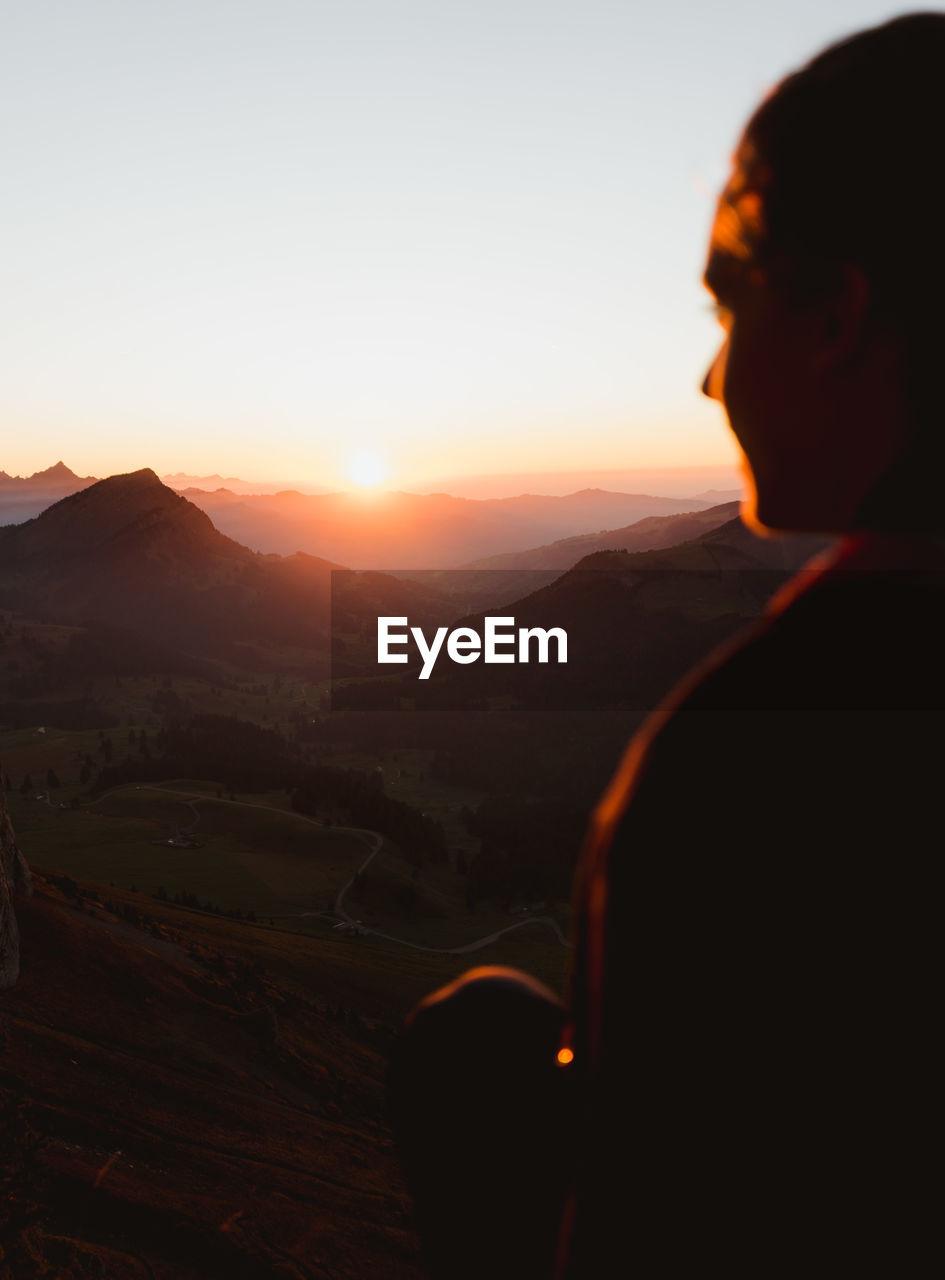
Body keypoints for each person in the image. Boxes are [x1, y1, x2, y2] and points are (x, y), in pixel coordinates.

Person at [391, 13, 945, 1277]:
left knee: (472, 1043)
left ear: (838, 315)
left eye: (728, 309)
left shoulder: (761, 755)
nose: (706, 380)